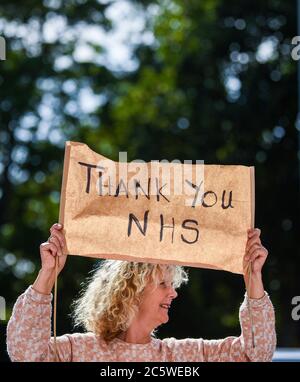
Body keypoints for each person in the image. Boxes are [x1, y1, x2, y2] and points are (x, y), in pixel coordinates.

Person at [6, 223, 276, 362]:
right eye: (163, 284)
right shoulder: (78, 350)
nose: (174, 293)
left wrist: (253, 278)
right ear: (131, 290)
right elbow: (25, 353)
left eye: (173, 285)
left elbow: (255, 355)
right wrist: (48, 274)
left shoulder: (182, 356)